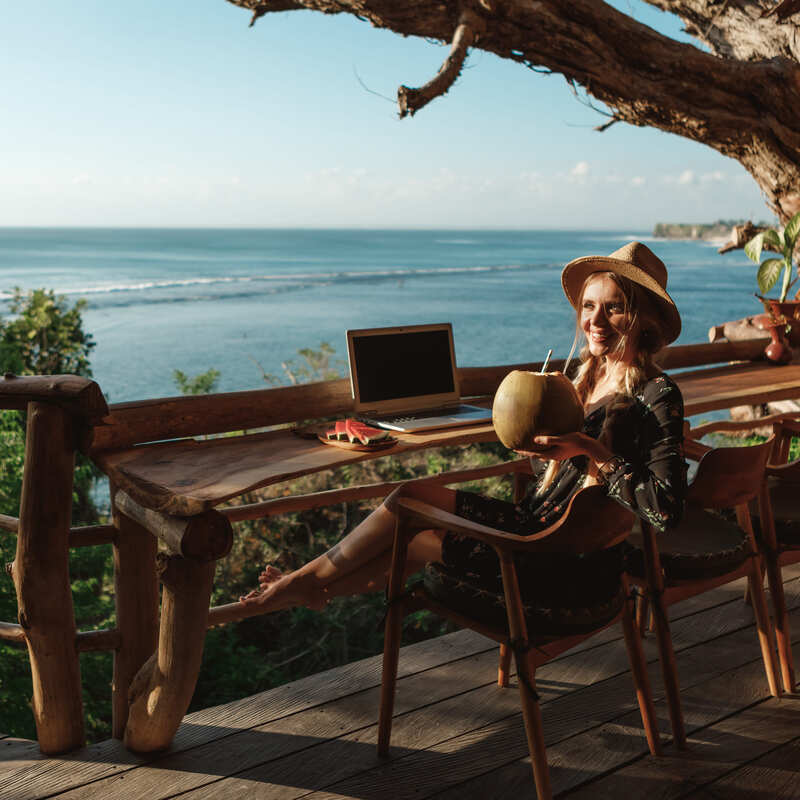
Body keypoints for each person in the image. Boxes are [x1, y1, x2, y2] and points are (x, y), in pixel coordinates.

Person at [240, 241, 687, 616]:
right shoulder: (584, 377)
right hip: (536, 528)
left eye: (614, 309)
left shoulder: (656, 395)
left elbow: (664, 510)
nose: (595, 320)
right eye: (590, 306)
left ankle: (305, 583)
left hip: (560, 562)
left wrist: (590, 450)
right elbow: (560, 481)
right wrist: (541, 450)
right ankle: (313, 587)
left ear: (643, 319)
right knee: (412, 498)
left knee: (419, 531)